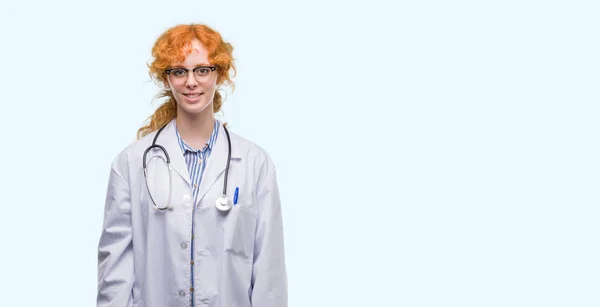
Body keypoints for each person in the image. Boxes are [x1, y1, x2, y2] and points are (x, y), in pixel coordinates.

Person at [96, 23, 287, 307]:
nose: (191, 81)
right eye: (179, 71)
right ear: (166, 79)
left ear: (219, 74)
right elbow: (115, 272)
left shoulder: (255, 164)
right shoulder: (131, 164)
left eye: (202, 69)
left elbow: (269, 271)